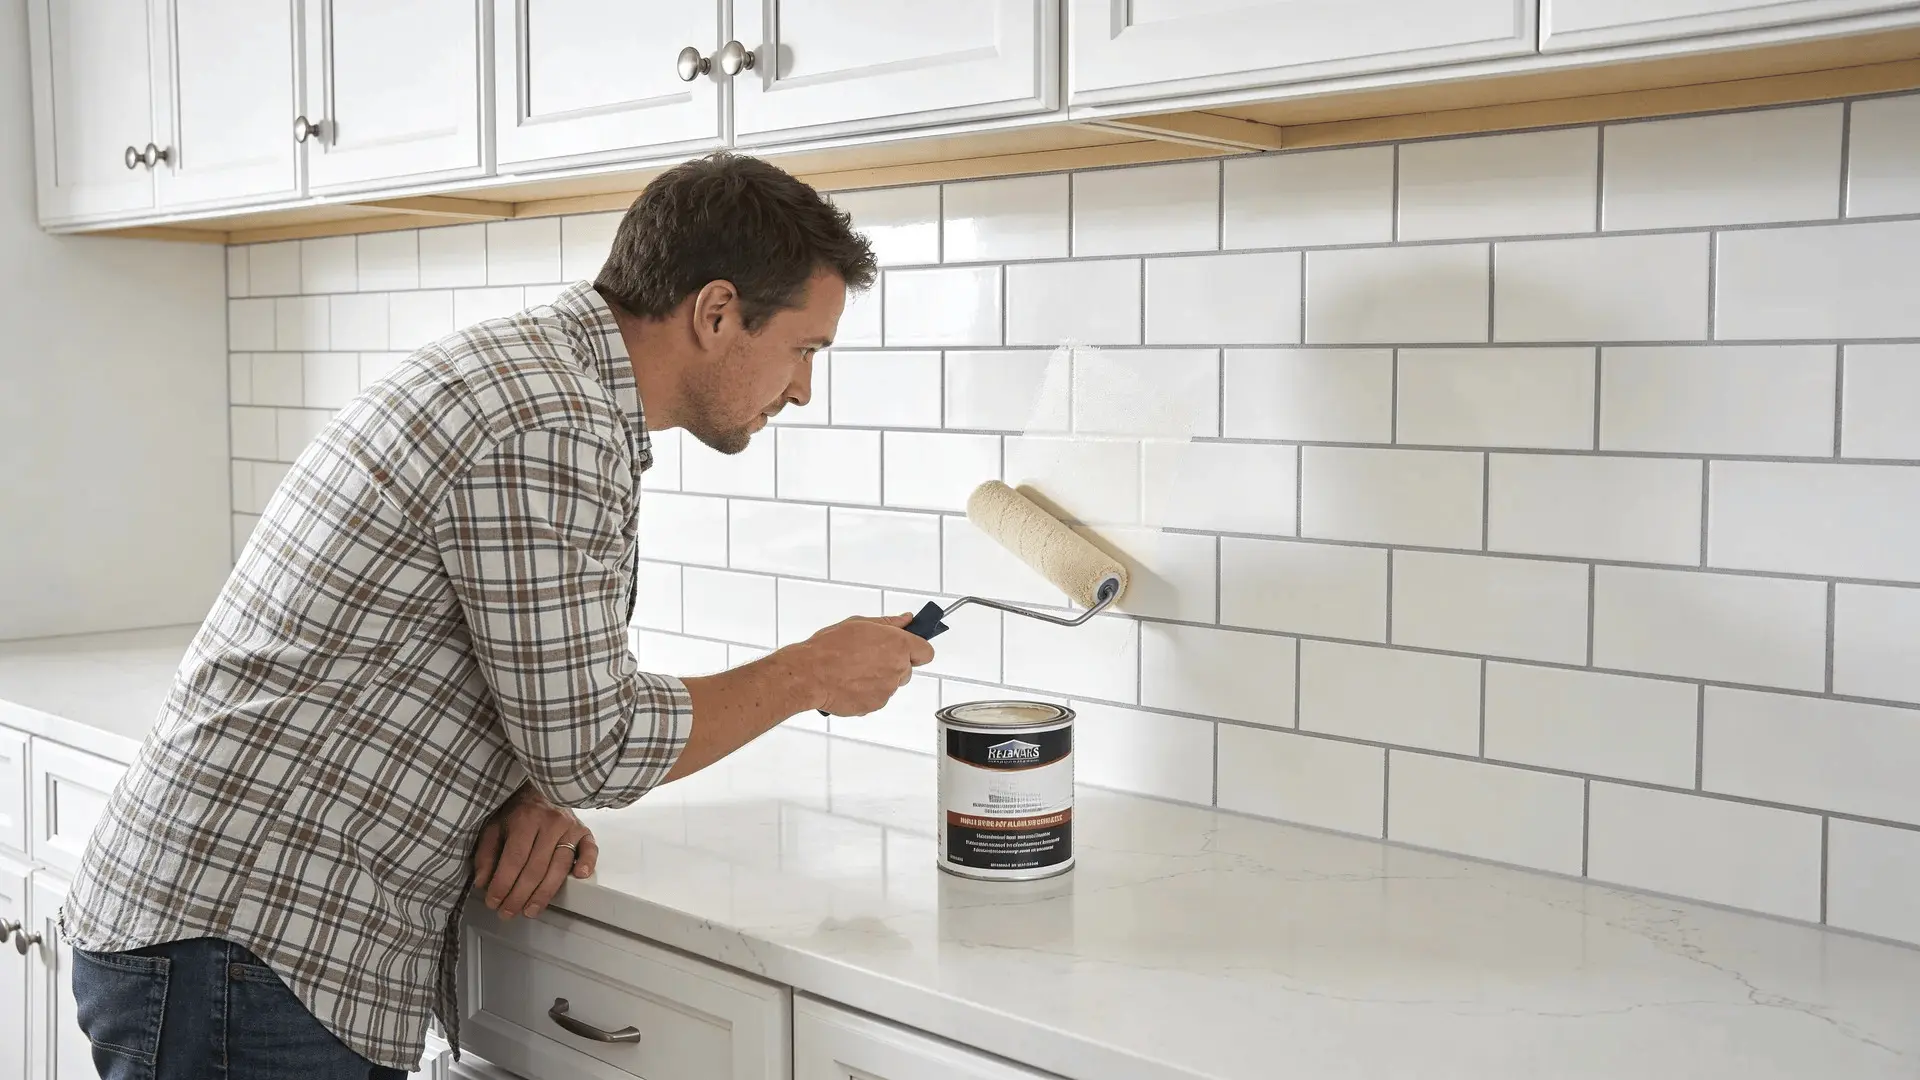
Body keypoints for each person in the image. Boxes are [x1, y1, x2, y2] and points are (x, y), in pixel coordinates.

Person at [59, 151, 934, 1079]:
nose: (802, 388)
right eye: (805, 349)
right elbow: (592, 744)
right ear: (716, 313)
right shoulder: (548, 420)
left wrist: (529, 787)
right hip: (243, 946)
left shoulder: (539, 380)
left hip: (231, 936)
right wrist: (806, 673)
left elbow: (539, 705)